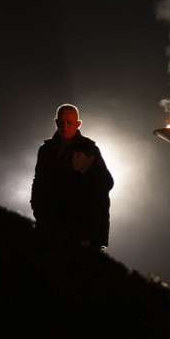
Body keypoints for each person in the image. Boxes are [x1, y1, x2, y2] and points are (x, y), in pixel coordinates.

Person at [30, 103, 114, 248]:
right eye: (62, 122)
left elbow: (105, 184)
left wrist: (88, 235)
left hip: (80, 230)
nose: (65, 126)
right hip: (50, 226)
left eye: (70, 122)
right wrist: (38, 209)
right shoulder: (46, 150)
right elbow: (38, 182)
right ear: (56, 122)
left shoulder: (89, 149)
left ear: (78, 124)